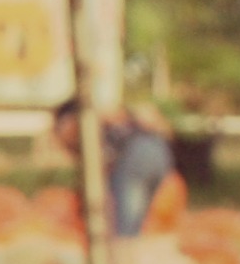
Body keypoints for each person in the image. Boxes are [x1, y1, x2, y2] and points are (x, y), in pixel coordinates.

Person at [52, 97, 177, 239]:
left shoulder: (91, 121)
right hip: (158, 153)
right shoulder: (110, 122)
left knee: (124, 227)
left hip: (135, 155)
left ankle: (122, 248)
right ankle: (129, 246)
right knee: (135, 223)